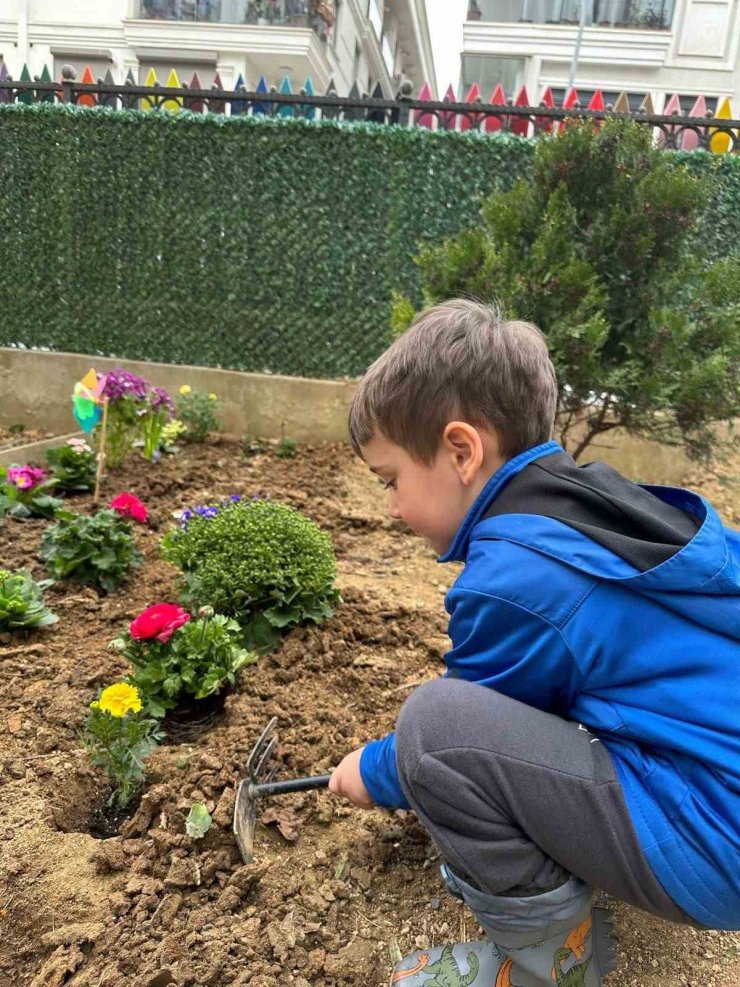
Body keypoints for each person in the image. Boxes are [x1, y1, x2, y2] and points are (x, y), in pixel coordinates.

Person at [328, 299, 740, 986]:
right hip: (721, 792)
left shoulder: (514, 580)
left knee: (432, 728)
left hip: (714, 840)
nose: (393, 508)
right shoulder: (597, 506)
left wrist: (369, 771)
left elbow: (454, 745)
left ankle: (556, 963)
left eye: (392, 480)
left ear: (462, 451)